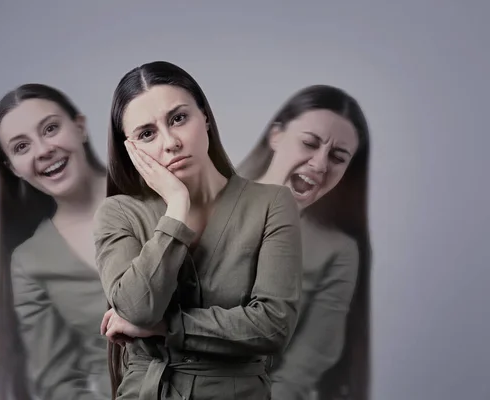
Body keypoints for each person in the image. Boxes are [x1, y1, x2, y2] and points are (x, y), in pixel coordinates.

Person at [92, 60, 303, 400]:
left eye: (178, 118)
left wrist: (165, 327)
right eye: (147, 134)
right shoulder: (119, 214)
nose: (170, 142)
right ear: (130, 148)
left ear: (204, 115)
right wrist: (177, 206)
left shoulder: (272, 203)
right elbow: (137, 309)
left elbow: (273, 326)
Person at [237, 84, 372, 400]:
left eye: (338, 157)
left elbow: (307, 360)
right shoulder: (199, 202)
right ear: (276, 135)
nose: (321, 164)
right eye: (310, 143)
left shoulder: (337, 251)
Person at [0, 83, 111, 400]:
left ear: (80, 127)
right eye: (21, 147)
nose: (43, 150)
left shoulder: (160, 187)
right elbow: (59, 383)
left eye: (51, 128)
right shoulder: (31, 261)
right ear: (12, 168)